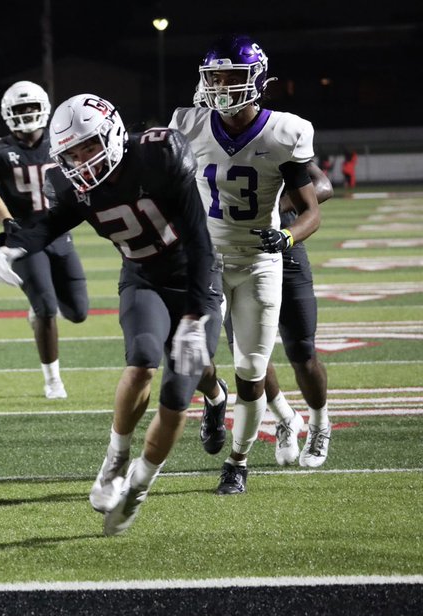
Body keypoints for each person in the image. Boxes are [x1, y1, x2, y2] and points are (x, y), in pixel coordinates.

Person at [0, 93, 222, 536]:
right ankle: (115, 459)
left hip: (197, 279)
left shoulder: (158, 155)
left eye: (89, 147)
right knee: (142, 361)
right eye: (71, 154)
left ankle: (140, 485)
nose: (82, 162)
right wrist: (15, 244)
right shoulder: (73, 182)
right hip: (143, 279)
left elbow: (199, 240)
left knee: (177, 391)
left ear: (113, 134)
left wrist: (194, 317)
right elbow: (53, 222)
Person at [169, 34, 321, 494]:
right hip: (205, 260)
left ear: (256, 78)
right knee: (187, 354)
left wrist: (288, 235)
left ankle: (238, 462)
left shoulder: (285, 131)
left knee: (253, 371)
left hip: (258, 260)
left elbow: (311, 209)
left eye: (229, 77)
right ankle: (215, 400)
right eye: (212, 76)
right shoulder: (189, 123)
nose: (218, 86)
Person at [0, 80, 89, 400]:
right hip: (22, 239)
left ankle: (39, 311)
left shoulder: (60, 143)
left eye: (31, 107)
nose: (27, 114)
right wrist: (5, 223)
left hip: (58, 234)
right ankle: (53, 379)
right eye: (20, 109)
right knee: (45, 307)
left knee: (78, 312)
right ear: (7, 114)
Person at [256, 163, 334, 467]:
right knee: (249, 357)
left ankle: (319, 423)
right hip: (234, 253)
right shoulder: (207, 136)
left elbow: (323, 185)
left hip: (283, 245)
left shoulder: (275, 134)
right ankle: (286, 418)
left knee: (302, 351)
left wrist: (279, 205)